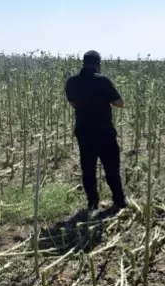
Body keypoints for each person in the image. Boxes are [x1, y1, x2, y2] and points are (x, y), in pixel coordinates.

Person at [65, 50, 127, 213]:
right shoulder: (103, 81)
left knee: (88, 168)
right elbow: (120, 103)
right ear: (98, 64)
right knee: (111, 168)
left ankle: (93, 202)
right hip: (104, 132)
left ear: (83, 63)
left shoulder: (71, 81)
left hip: (84, 132)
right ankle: (119, 201)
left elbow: (72, 103)